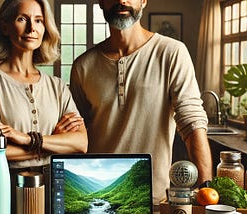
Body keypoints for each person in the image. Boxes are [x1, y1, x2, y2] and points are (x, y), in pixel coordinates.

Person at [69, 0, 213, 210]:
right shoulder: (83, 66)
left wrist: (206, 193)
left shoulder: (172, 53)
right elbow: (75, 137)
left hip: (156, 200)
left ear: (144, 0)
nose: (121, 1)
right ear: (100, 1)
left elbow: (192, 123)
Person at [0, 0, 88, 212]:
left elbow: (81, 143)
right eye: (22, 19)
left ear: (45, 28)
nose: (32, 28)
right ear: (5, 26)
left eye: (39, 20)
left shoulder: (58, 86)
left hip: (55, 185)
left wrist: (26, 139)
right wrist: (52, 144)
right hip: (4, 185)